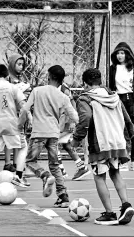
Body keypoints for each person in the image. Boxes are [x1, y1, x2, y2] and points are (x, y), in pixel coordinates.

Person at [72, 68, 134, 225]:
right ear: (100, 82)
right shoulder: (112, 96)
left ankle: (109, 213)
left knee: (99, 177)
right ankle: (126, 204)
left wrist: (77, 138)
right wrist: (130, 131)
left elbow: (85, 118)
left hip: (99, 142)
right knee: (115, 173)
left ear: (85, 84)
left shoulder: (85, 99)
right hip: (116, 141)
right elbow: (125, 116)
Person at [19, 65, 79, 208]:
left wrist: (19, 125)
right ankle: (63, 197)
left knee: (30, 161)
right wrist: (72, 123)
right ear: (61, 80)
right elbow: (75, 117)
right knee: (55, 165)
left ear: (49, 76)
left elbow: (25, 109)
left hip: (39, 132)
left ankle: (44, 176)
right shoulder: (63, 96)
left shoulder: (37, 91)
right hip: (54, 134)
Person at [109, 42, 134, 171]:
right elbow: (110, 86)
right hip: (119, 101)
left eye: (122, 53)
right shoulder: (112, 68)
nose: (120, 56)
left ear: (128, 54)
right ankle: (124, 161)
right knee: (121, 132)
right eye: (118, 53)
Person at [56, 82, 91, 181]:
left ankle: (60, 169)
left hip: (65, 122)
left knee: (52, 142)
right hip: (60, 121)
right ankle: (82, 167)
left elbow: (71, 104)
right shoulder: (54, 88)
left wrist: (72, 121)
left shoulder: (63, 88)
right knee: (66, 145)